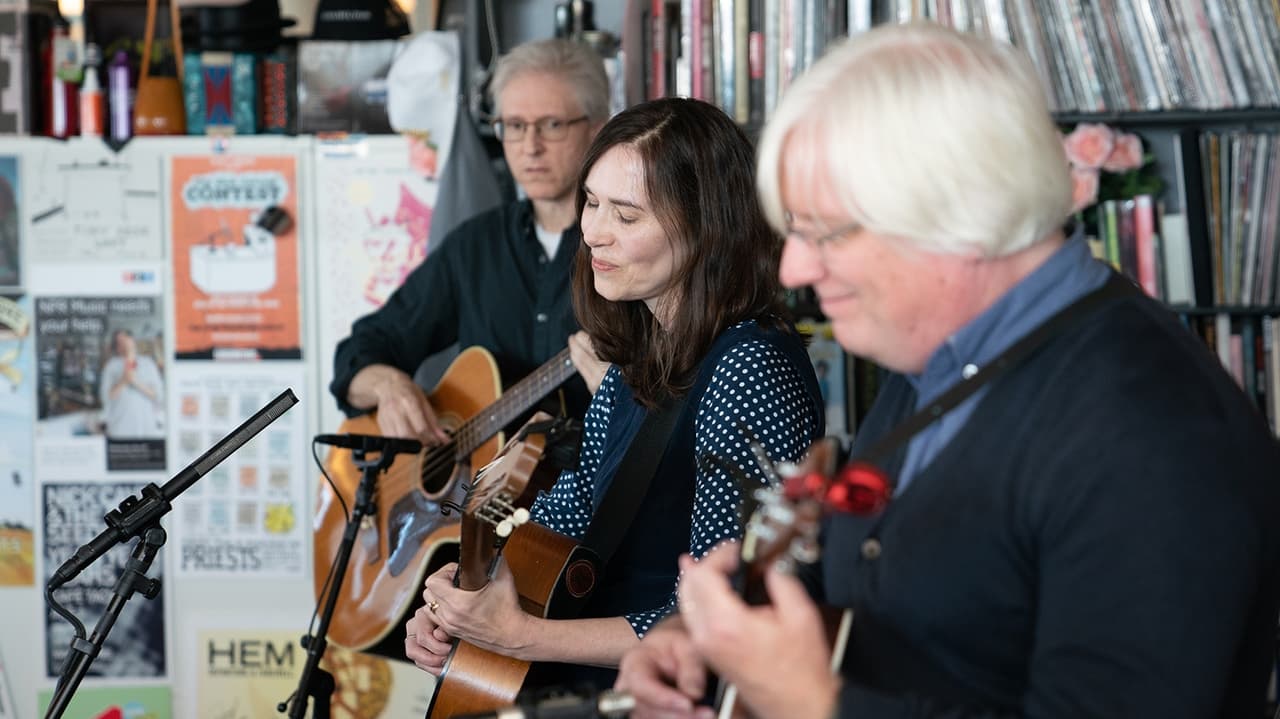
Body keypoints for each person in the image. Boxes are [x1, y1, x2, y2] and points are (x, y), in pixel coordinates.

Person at [615, 23, 1280, 719]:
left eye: (827, 232)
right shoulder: (935, 350)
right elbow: (880, 575)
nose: (794, 271)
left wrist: (816, 702)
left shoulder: (1156, 438)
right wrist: (703, 639)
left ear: (961, 214)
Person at [403, 97, 826, 690]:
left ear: (708, 228)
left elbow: (734, 607)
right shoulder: (637, 354)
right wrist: (464, 597)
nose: (594, 233)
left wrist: (523, 636)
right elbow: (574, 508)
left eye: (627, 216)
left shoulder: (751, 366)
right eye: (593, 203)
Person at [330, 38, 613, 442]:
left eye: (551, 125)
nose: (530, 147)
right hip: (471, 499)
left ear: (597, 129)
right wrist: (389, 387)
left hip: (593, 497)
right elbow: (361, 350)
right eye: (514, 126)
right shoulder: (473, 246)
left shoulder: (631, 252)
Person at [99, 328, 163, 437]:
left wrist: (134, 381)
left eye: (126, 340)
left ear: (133, 341)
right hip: (119, 429)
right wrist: (124, 379)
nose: (125, 345)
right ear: (117, 347)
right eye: (120, 342)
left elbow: (158, 396)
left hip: (145, 429)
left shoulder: (148, 364)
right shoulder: (111, 366)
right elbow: (106, 397)